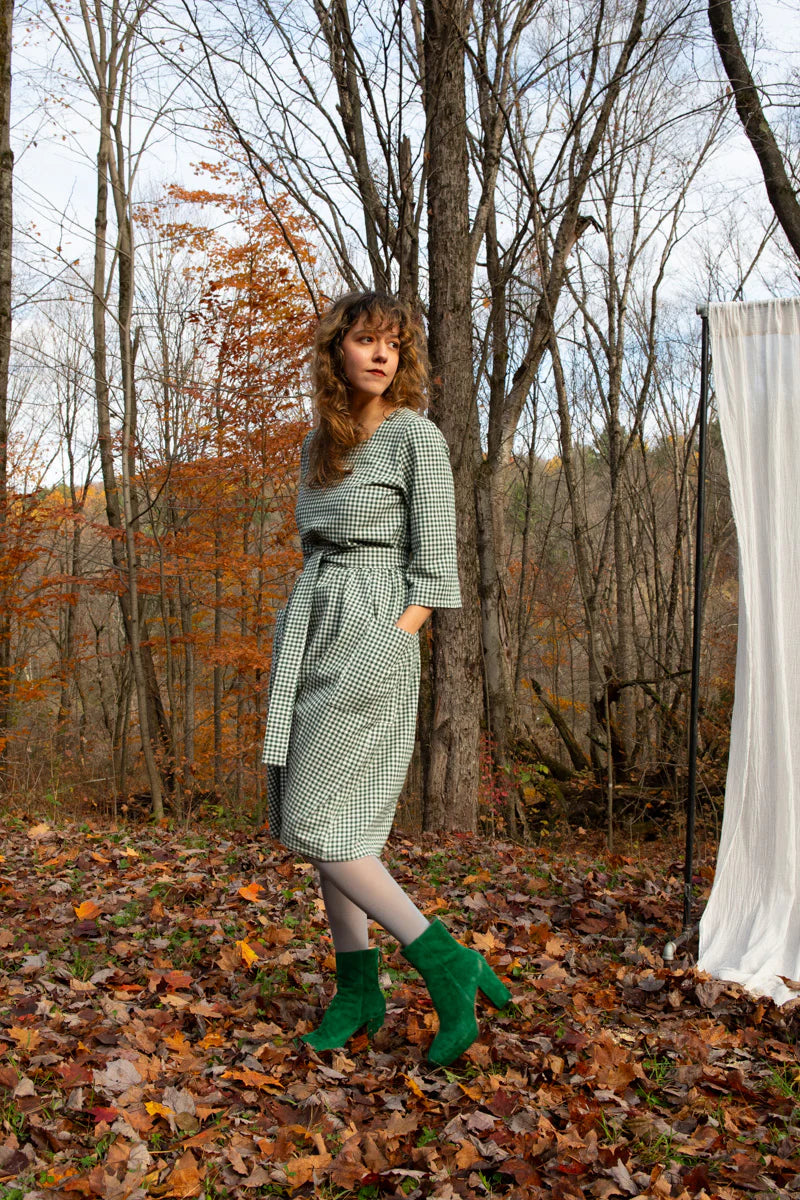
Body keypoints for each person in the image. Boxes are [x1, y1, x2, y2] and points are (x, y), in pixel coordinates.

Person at [261, 291, 510, 1067]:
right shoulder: (317, 445)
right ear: (337, 350)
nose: (379, 355)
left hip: (376, 632)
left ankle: (444, 959)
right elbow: (315, 544)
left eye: (393, 346)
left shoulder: (416, 439)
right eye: (365, 340)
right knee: (341, 826)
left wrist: (386, 645)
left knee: (316, 822)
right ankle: (357, 991)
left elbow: (435, 573)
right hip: (313, 628)